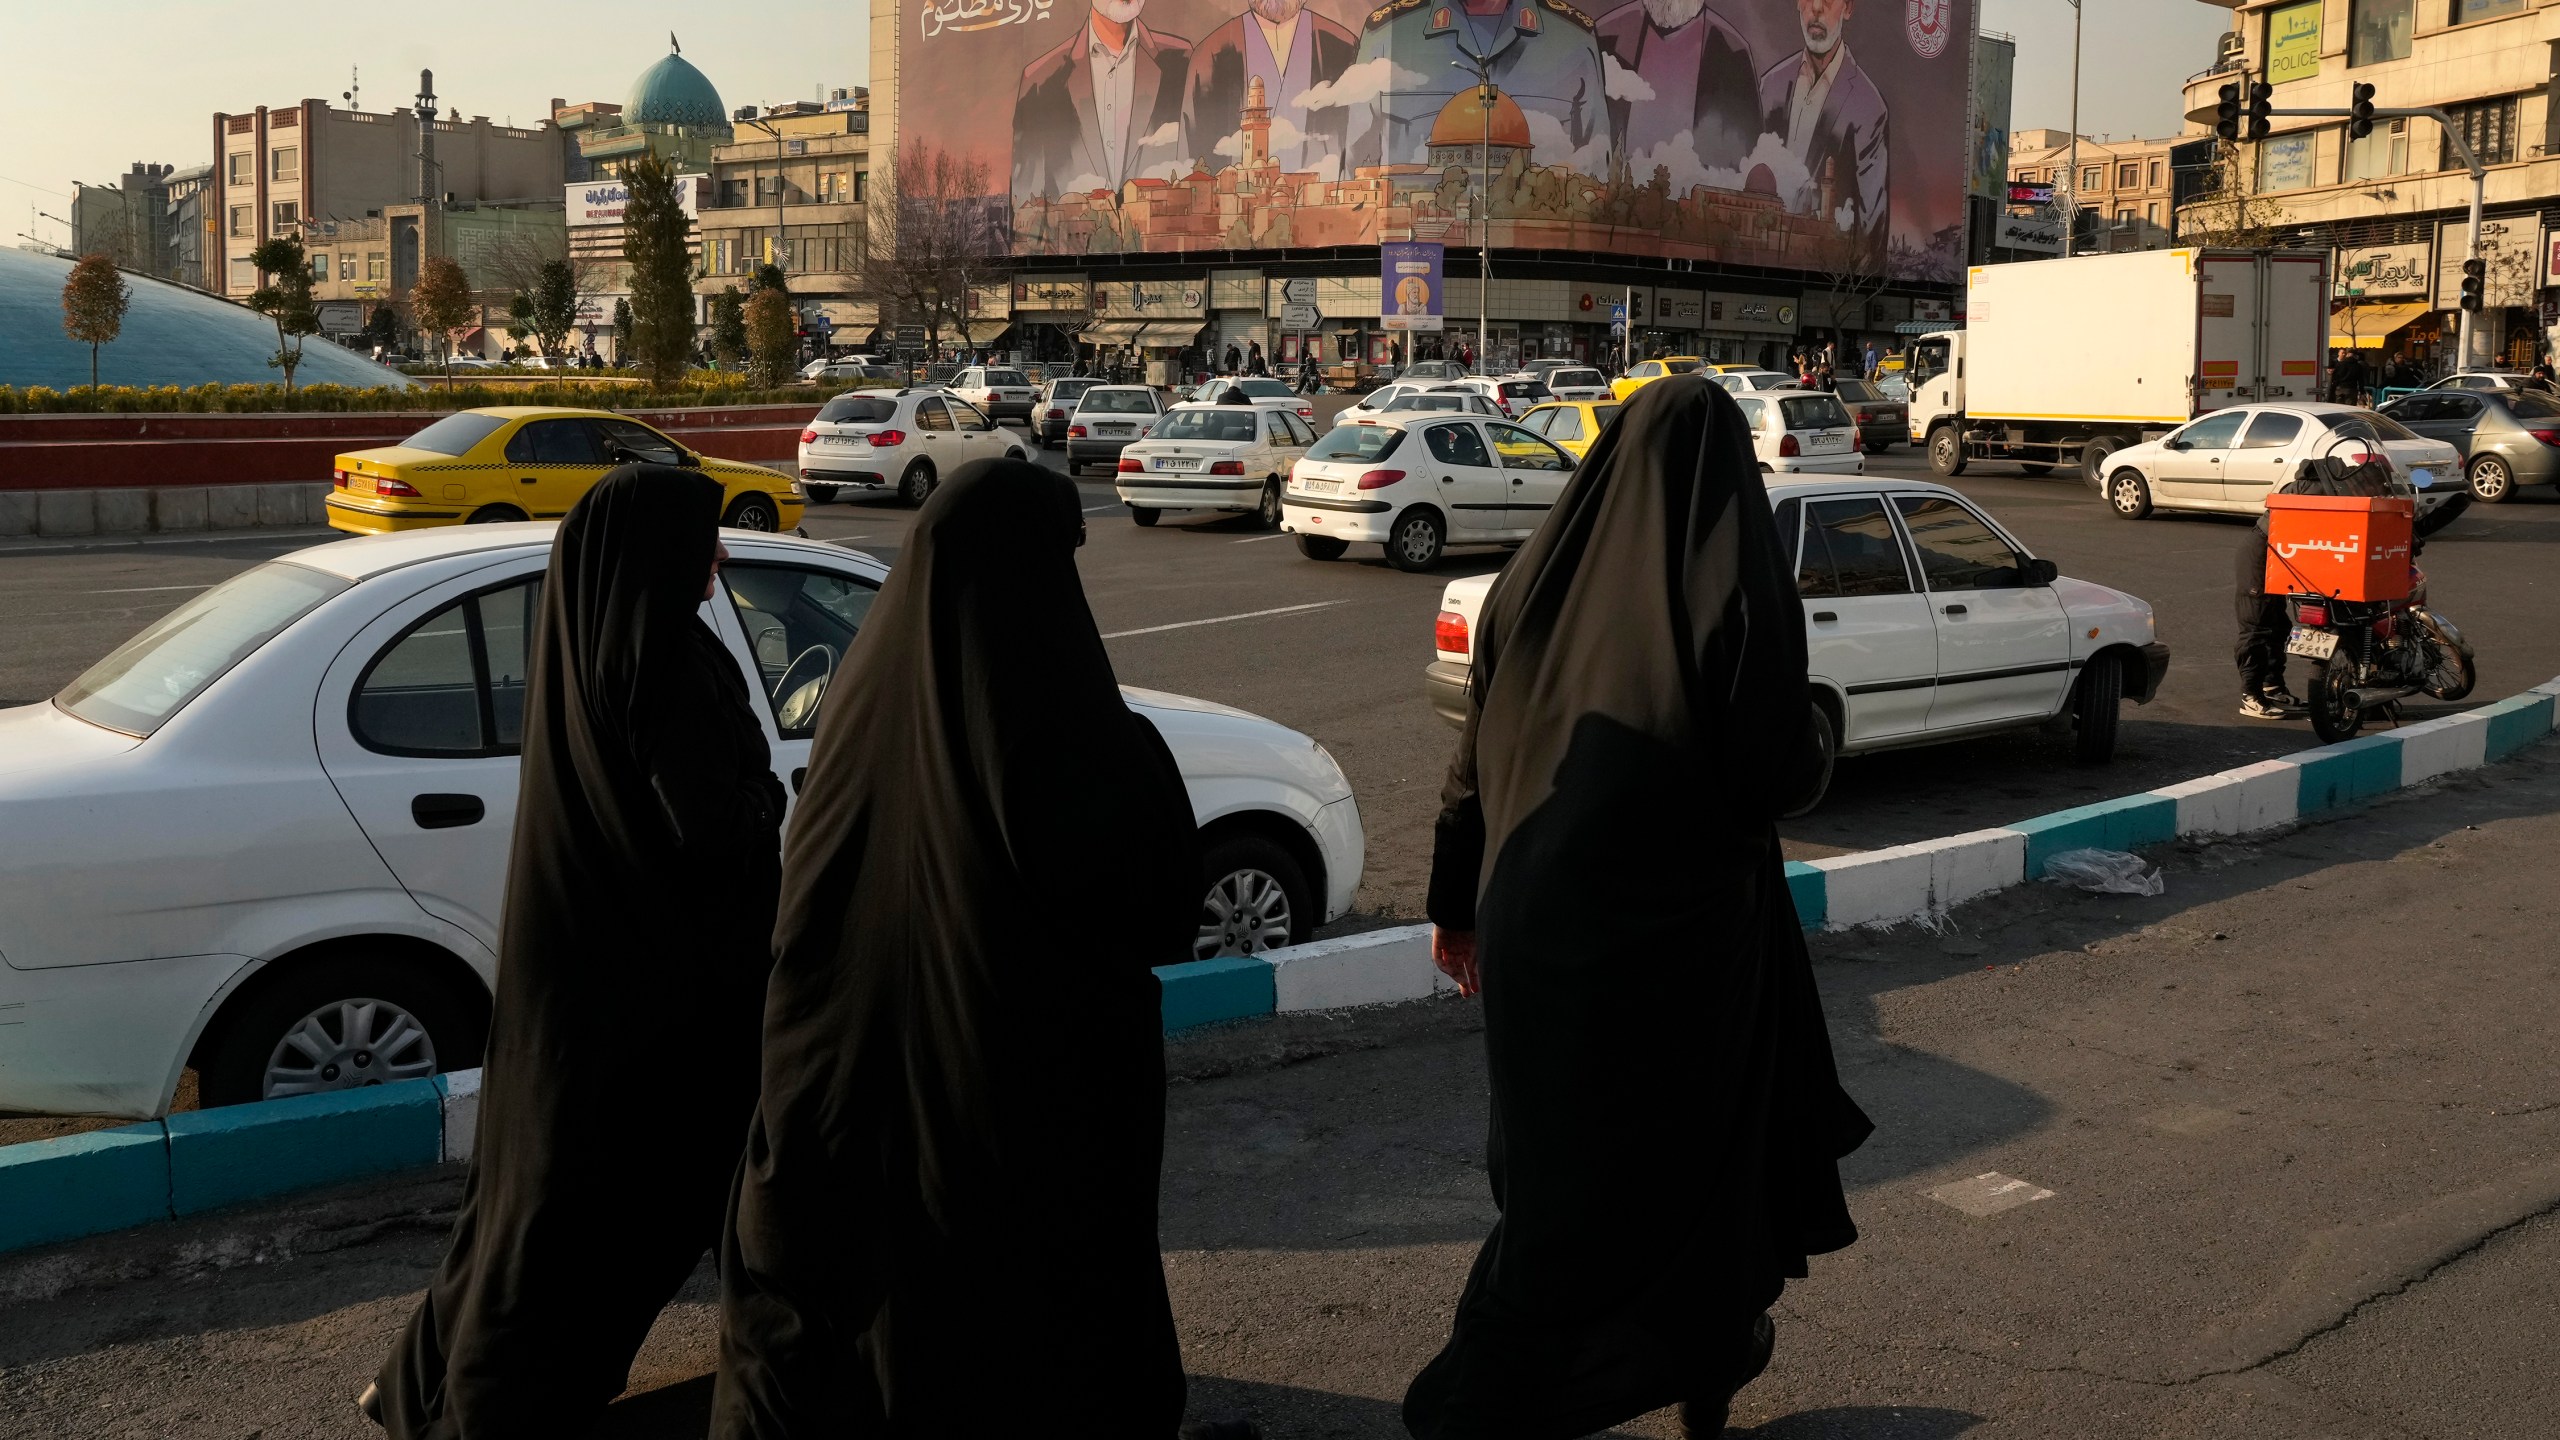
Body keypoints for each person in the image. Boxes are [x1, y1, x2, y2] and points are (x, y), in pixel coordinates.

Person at [1408, 376, 1871, 1440]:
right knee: (1689, 1177)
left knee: (1562, 1175)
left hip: (1533, 931)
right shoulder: (1731, 592)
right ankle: (1564, 1382)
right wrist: (1807, 733)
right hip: (1677, 951)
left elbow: (1473, 762)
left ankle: (1566, 1371)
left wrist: (1453, 906)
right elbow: (1772, 774)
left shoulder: (1530, 580)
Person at [713, 460, 1204, 1437]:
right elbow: (1161, 912)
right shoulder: (1078, 736)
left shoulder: (854, 709)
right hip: (1018, 1118)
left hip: (841, 1101)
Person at [366, 468, 787, 1436]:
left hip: (587, 983)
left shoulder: (590, 643)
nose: (719, 557)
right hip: (668, 996)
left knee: (534, 1202)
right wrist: (767, 802)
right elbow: (717, 828)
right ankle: (488, 1405)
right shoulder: (667, 660)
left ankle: (422, 1386)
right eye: (704, 540)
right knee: (621, 1210)